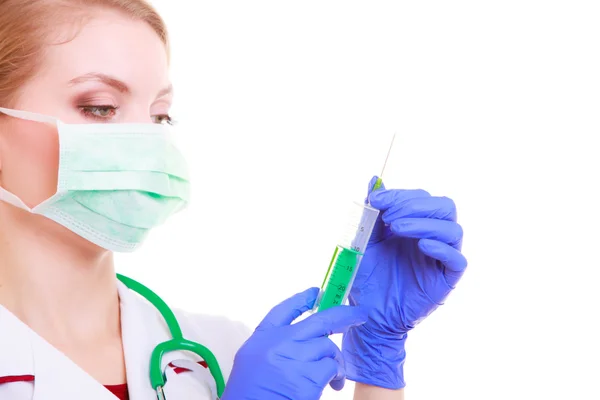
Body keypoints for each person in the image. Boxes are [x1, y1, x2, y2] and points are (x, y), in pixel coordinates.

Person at [0, 1, 468, 399]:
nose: (146, 140)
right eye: (99, 107)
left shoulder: (223, 355)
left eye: (159, 116)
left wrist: (376, 359)